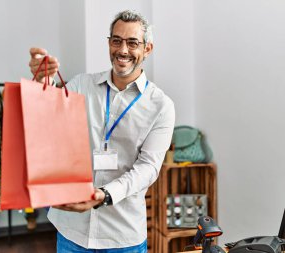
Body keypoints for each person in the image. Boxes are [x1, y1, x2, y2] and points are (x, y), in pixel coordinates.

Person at [29, 10, 175, 253]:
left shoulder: (161, 106)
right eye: (116, 40)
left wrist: (104, 195)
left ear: (148, 49)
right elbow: (46, 116)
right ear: (109, 43)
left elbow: (148, 167)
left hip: (122, 235)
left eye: (132, 42)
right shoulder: (81, 85)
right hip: (71, 231)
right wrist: (41, 80)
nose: (123, 50)